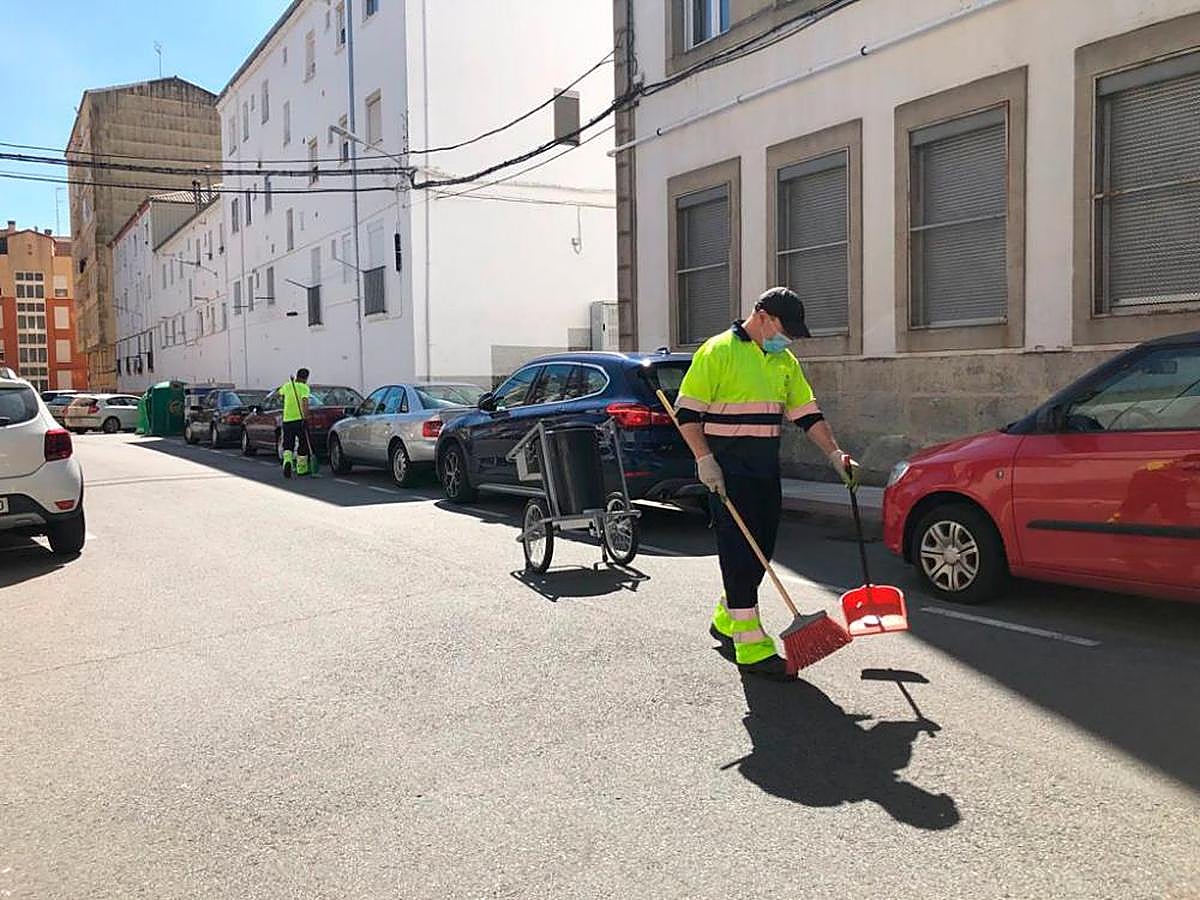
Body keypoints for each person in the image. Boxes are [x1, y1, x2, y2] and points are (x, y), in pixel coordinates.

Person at [675, 287, 859, 680]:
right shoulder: (717, 352)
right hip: (728, 472)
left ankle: (728, 614)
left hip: (764, 470)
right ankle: (751, 647)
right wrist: (705, 461)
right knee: (740, 554)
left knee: (763, 549)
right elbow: (687, 415)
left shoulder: (784, 361)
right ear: (762, 316)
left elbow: (807, 414)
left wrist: (835, 455)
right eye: (784, 329)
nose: (787, 338)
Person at [280, 367, 313, 479]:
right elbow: (305, 402)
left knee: (288, 443)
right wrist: (306, 416)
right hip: (299, 420)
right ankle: (301, 468)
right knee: (303, 443)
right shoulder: (304, 388)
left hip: (287, 420)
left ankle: (287, 462)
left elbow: (280, 393)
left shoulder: (287, 386)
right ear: (306, 378)